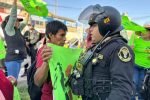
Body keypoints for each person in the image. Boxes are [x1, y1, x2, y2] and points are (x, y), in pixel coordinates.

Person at [68, 4, 135, 100]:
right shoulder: (98, 47)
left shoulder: (119, 49)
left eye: (94, 25)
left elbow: (122, 89)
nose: (89, 29)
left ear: (106, 25)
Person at [34, 20, 67, 100]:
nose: (65, 39)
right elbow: (38, 82)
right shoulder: (45, 50)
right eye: (61, 35)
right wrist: (46, 62)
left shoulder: (60, 50)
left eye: (65, 35)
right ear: (51, 35)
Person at [1, 0, 29, 79]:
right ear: (9, 22)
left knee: (14, 80)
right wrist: (15, 3)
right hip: (13, 60)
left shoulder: (18, 29)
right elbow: (13, 16)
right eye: (16, 21)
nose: (18, 22)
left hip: (18, 59)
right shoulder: (9, 29)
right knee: (13, 82)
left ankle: (13, 91)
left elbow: (25, 22)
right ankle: (11, 91)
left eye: (18, 21)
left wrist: (28, 12)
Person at [129, 24, 150, 100]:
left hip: (146, 68)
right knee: (133, 83)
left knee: (141, 86)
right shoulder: (136, 40)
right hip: (135, 66)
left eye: (144, 31)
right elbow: (127, 51)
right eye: (141, 31)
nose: (142, 32)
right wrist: (130, 48)